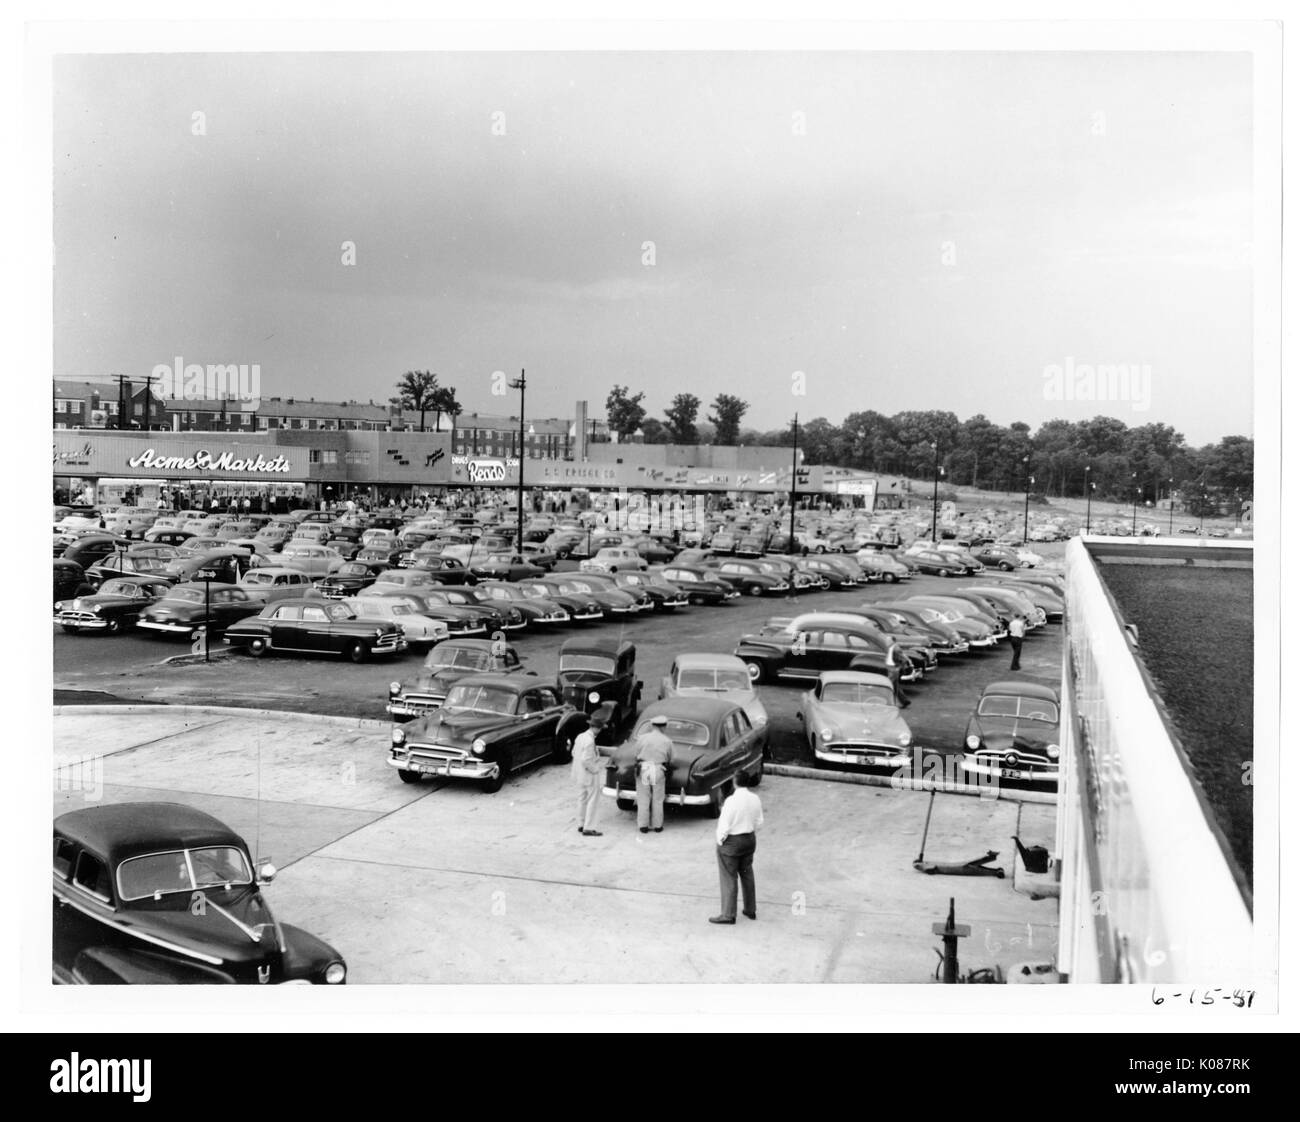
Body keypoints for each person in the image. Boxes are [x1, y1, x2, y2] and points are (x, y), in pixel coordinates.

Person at [711, 770, 764, 925]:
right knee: (747, 872)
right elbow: (759, 822)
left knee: (729, 875)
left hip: (732, 841)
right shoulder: (755, 798)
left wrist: (720, 841)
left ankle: (728, 914)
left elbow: (724, 826)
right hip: (749, 839)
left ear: (735, 782)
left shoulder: (731, 801)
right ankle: (750, 909)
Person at [571, 706, 611, 837]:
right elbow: (586, 760)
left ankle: (581, 824)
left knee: (581, 799)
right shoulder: (589, 741)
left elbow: (574, 753)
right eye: (600, 728)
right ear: (596, 728)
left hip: (579, 774)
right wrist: (596, 769)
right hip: (589, 774)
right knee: (593, 800)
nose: (600, 731)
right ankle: (589, 827)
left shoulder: (580, 737)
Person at [634, 714, 675, 834]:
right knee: (657, 799)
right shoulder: (667, 741)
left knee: (643, 798)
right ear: (664, 727)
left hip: (645, 767)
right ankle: (657, 826)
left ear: (652, 726)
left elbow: (636, 753)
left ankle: (643, 826)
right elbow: (671, 758)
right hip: (658, 767)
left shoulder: (642, 738)